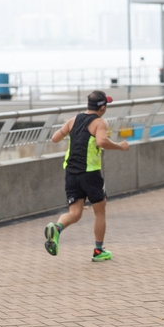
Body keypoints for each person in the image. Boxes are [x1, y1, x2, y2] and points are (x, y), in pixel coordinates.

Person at [44, 90, 130, 261]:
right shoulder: (100, 122)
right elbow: (101, 141)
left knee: (75, 213)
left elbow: (54, 138)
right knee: (100, 211)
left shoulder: (73, 120)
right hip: (90, 173)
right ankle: (98, 251)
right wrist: (120, 146)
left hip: (71, 172)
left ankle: (57, 228)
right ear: (102, 107)